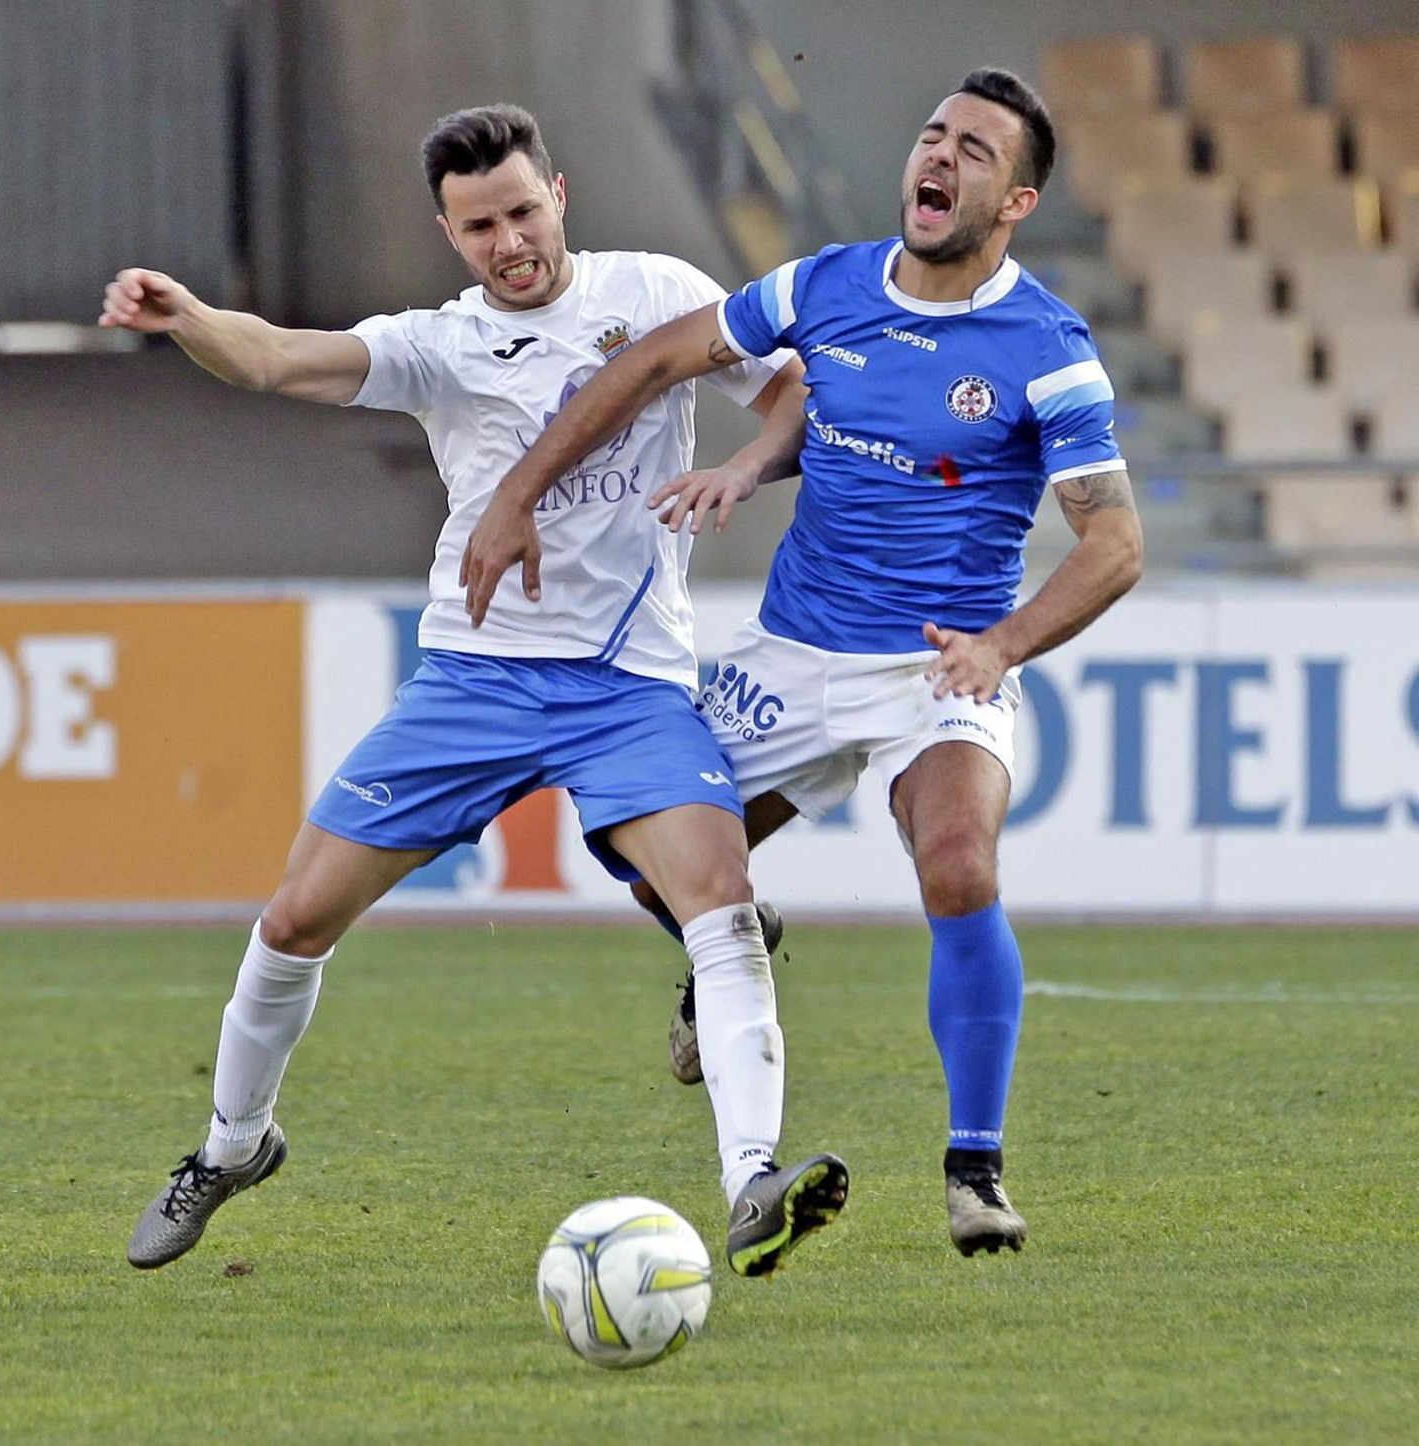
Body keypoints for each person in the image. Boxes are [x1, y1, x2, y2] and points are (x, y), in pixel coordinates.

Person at [99, 104, 848, 1277]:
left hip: (628, 684)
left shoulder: (653, 290)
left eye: (520, 211)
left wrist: (746, 464)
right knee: (296, 918)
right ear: (449, 235)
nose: (509, 242)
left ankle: (750, 1176)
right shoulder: (438, 344)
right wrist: (186, 316)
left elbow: (796, 386)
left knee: (722, 895)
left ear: (560, 190)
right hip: (474, 680)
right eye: (479, 225)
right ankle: (232, 1145)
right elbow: (275, 356)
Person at [460, 71, 1144, 1257]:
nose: (940, 155)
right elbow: (654, 364)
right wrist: (525, 490)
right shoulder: (823, 285)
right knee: (633, 852)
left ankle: (973, 1170)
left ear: (1016, 199)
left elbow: (1116, 542)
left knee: (959, 866)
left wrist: (1001, 646)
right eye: (933, 132)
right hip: (791, 653)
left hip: (937, 667)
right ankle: (722, 940)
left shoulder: (1046, 348)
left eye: (974, 150)